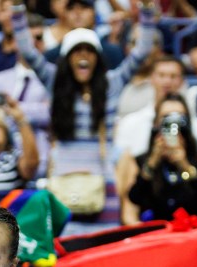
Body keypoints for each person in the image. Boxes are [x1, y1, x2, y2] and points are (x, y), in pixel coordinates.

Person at [12, 1, 158, 229]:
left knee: (101, 253)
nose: (83, 55)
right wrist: (17, 11)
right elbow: (29, 52)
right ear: (67, 58)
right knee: (64, 252)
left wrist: (147, 12)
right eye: (77, 50)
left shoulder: (111, 84)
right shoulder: (55, 82)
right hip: (63, 181)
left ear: (97, 58)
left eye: (89, 51)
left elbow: (141, 53)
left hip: (102, 182)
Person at [125, 96, 197, 223]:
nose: (173, 123)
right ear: (156, 123)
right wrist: (153, 162)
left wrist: (184, 166)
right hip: (156, 234)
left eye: (179, 116)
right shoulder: (143, 161)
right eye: (166, 117)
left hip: (191, 233)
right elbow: (134, 197)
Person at [114, 55, 197, 162]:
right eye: (161, 75)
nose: (167, 81)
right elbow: (118, 162)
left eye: (173, 76)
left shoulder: (195, 125)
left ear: (182, 81)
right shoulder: (130, 122)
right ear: (151, 78)